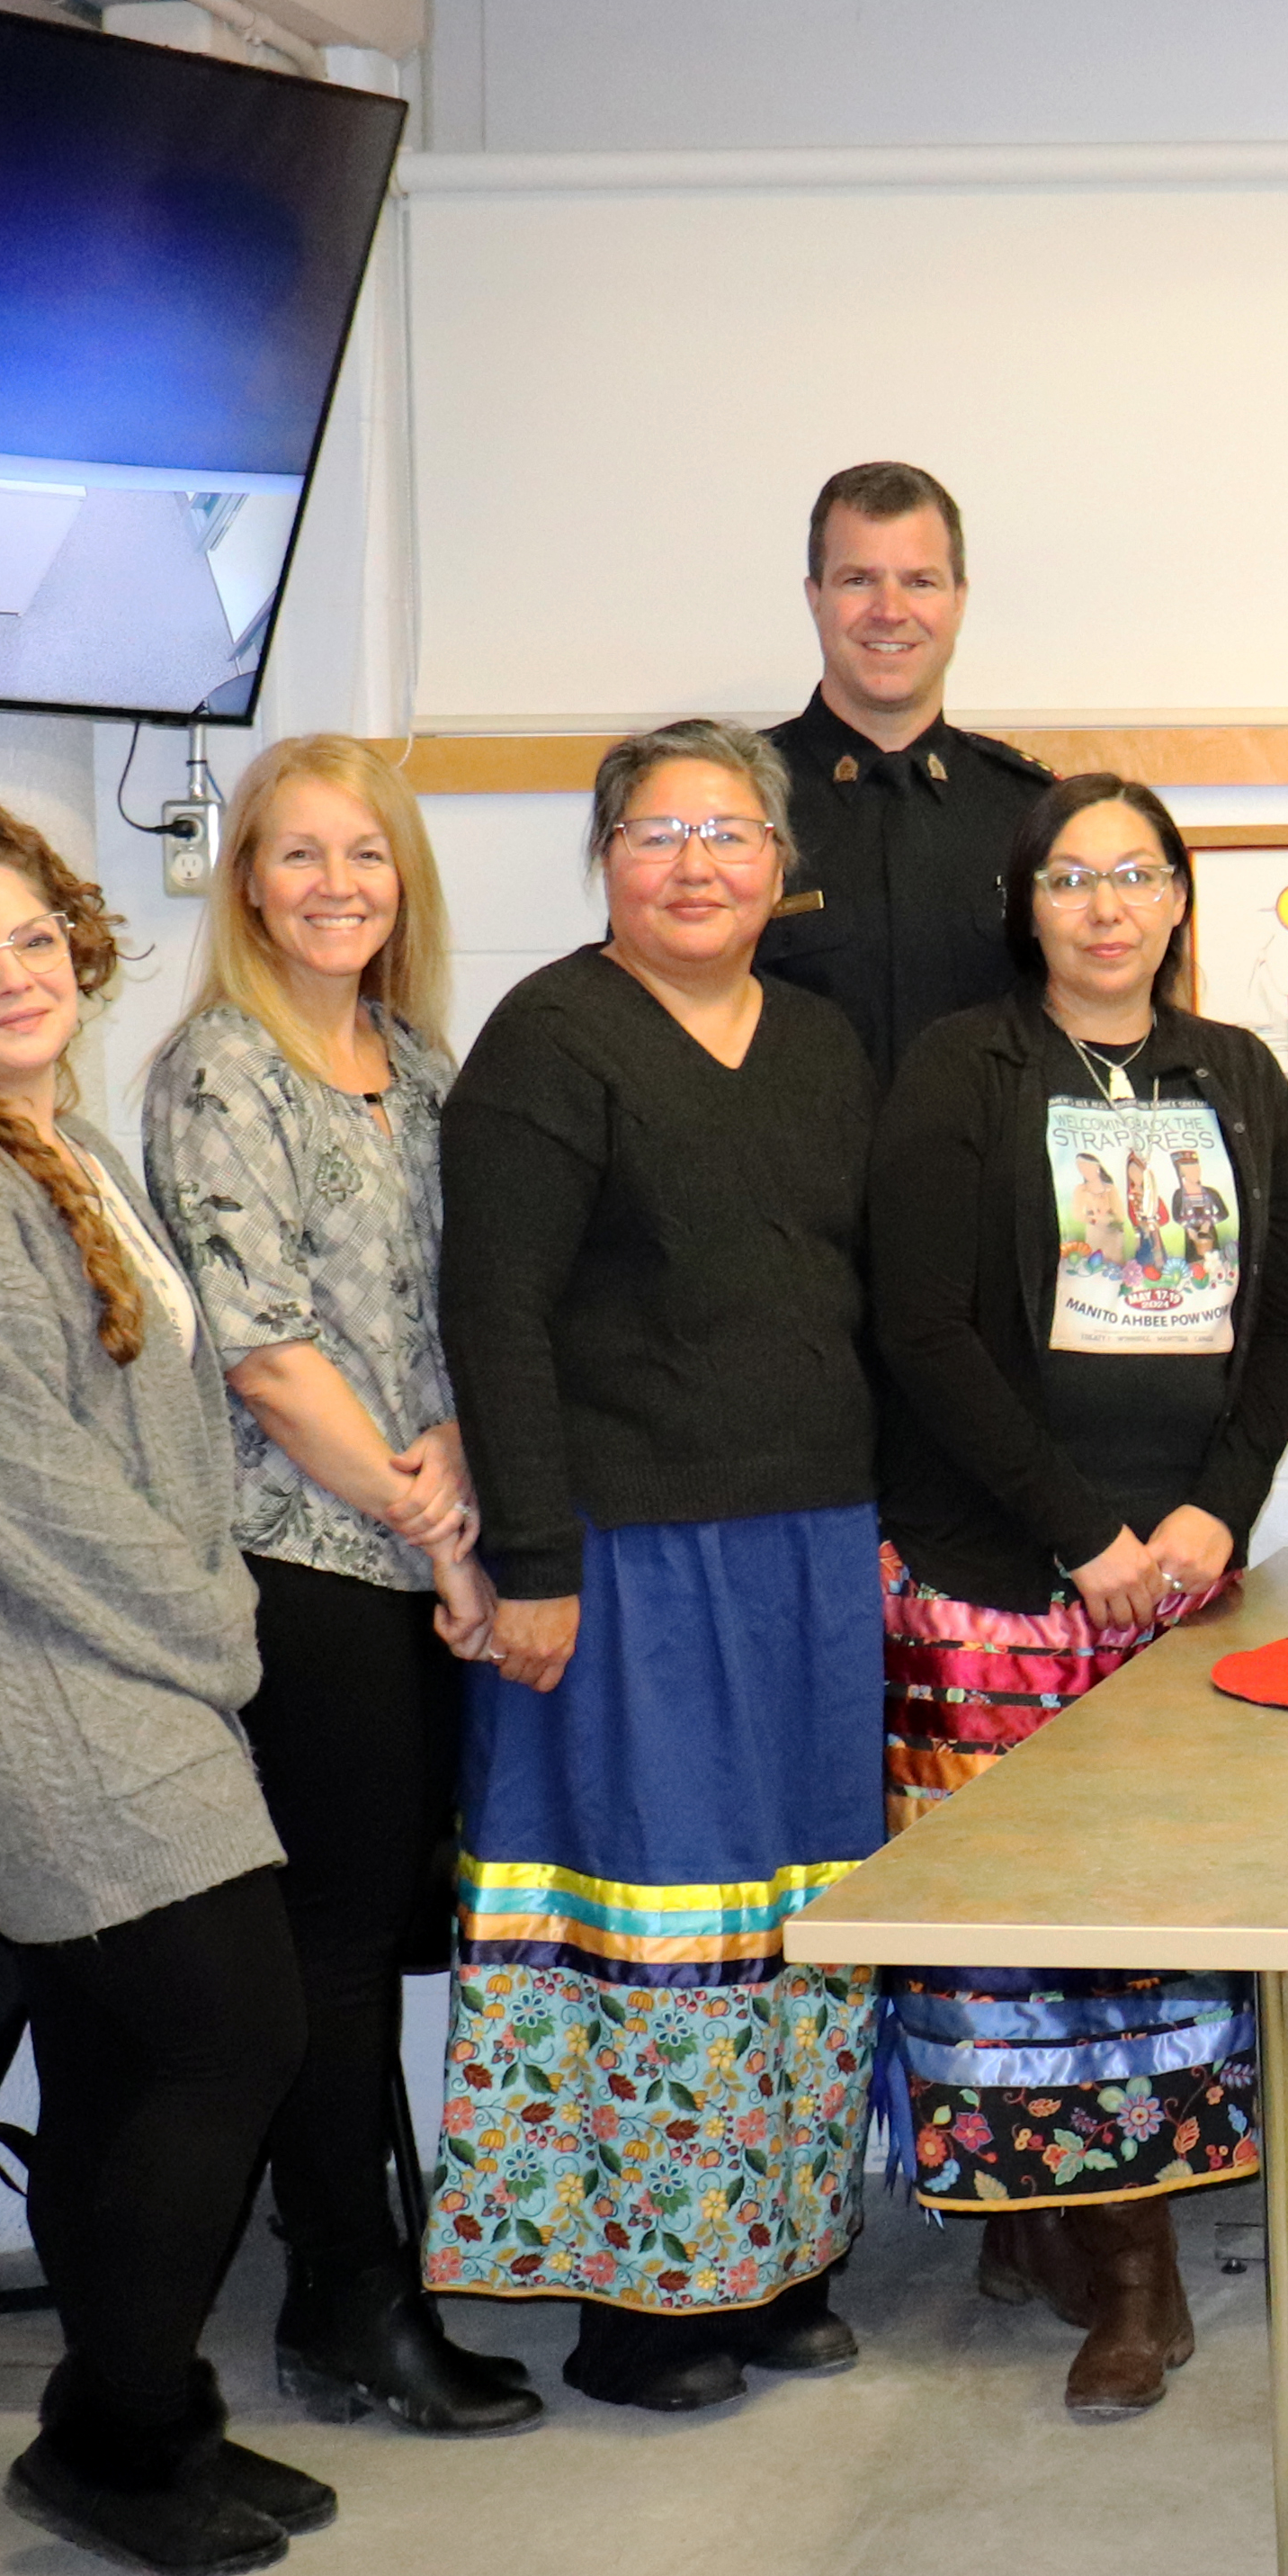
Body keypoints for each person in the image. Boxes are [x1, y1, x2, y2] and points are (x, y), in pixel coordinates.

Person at [0, 798, 325, 2576]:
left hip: (122, 1661)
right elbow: (11, 1478)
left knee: (130, 2057)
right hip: (41, 1685)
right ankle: (106, 2440)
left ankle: (147, 2409)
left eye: (32, 937)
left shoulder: (51, 1141)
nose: (12, 974)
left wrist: (193, 1624)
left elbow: (147, 1432)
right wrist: (213, 1630)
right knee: (223, 2025)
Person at [430, 720, 885, 2413]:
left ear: (780, 865)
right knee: (656, 1910)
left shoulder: (827, 1046)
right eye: (654, 833)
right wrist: (533, 1557)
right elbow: (498, 1316)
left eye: (729, 833)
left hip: (814, 1547)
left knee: (802, 1917)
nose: (696, 863)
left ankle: (778, 2262)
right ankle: (645, 2309)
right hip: (629, 1560)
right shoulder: (551, 1041)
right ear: (605, 861)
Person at [871, 773, 1288, 2419]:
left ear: (1183, 898)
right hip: (996, 1579)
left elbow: (1285, 1334)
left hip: (1182, 1587)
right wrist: (1081, 1533)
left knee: (1152, 1936)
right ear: (1027, 904)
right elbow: (922, 1327)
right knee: (1011, 1945)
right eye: (1073, 877)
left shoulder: (1240, 1076)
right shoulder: (959, 1071)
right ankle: (1057, 2235)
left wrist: (1210, 1514)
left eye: (1138, 874)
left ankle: (1124, 2256)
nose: (1107, 905)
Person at [139, 737, 541, 2439]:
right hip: (303, 1557)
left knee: (384, 1923)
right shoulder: (220, 1071)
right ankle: (344, 2299)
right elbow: (268, 1351)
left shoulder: (422, 1063)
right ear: (247, 884)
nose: (333, 886)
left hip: (414, 1532)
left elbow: (452, 1306)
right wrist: (432, 1526)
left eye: (363, 857)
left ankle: (374, 2273)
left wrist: (453, 1478)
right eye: (296, 856)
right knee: (332, 1946)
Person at [760, 458, 1064, 1071]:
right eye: (858, 581)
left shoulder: (1036, 814)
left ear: (958, 600)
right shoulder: (733, 807)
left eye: (920, 582)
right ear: (815, 598)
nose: (889, 610)